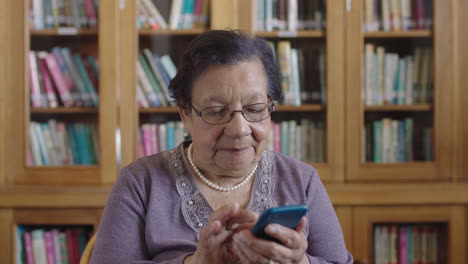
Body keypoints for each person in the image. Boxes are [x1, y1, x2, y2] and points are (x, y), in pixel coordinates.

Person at [90, 30, 353, 264]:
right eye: (216, 112)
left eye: (254, 109)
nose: (239, 129)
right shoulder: (139, 183)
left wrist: (300, 262)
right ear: (185, 115)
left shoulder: (302, 180)